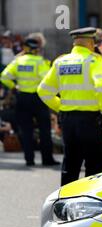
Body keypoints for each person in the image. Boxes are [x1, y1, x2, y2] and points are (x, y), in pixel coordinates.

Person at [37, 27, 102, 186]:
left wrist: (60, 107)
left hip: (68, 120)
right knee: (94, 165)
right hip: (91, 121)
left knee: (70, 163)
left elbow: (43, 90)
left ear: (74, 43)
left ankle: (64, 203)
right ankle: (92, 204)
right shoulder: (94, 60)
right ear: (91, 42)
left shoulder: (61, 61)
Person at [1, 37, 58, 166]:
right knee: (44, 129)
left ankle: (29, 159)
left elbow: (4, 77)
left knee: (26, 130)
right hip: (38, 98)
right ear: (36, 49)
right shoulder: (40, 61)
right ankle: (47, 159)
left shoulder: (18, 61)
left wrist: (13, 87)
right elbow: (47, 79)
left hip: (22, 98)